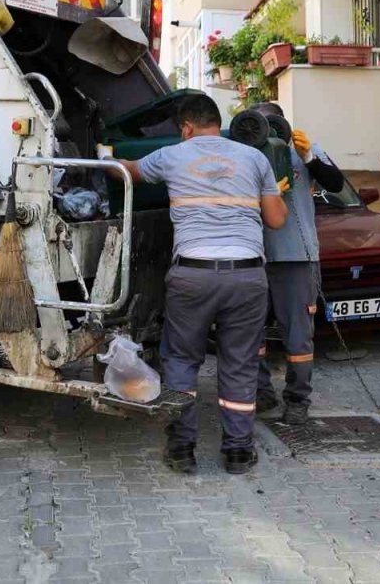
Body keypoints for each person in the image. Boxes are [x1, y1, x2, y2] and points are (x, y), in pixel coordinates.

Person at [110, 94, 287, 475]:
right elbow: (276, 220)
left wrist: (104, 157)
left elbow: (128, 173)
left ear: (185, 128)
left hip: (193, 276)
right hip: (246, 275)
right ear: (216, 123)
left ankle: (182, 449)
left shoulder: (172, 155)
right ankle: (239, 452)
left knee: (182, 361)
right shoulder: (255, 158)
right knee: (239, 363)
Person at [252, 102, 345, 425]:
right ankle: (261, 392)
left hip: (296, 257)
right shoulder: (245, 154)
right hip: (253, 258)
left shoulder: (304, 150)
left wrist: (309, 158)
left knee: (298, 337)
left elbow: (335, 183)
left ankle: (297, 400)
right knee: (250, 334)